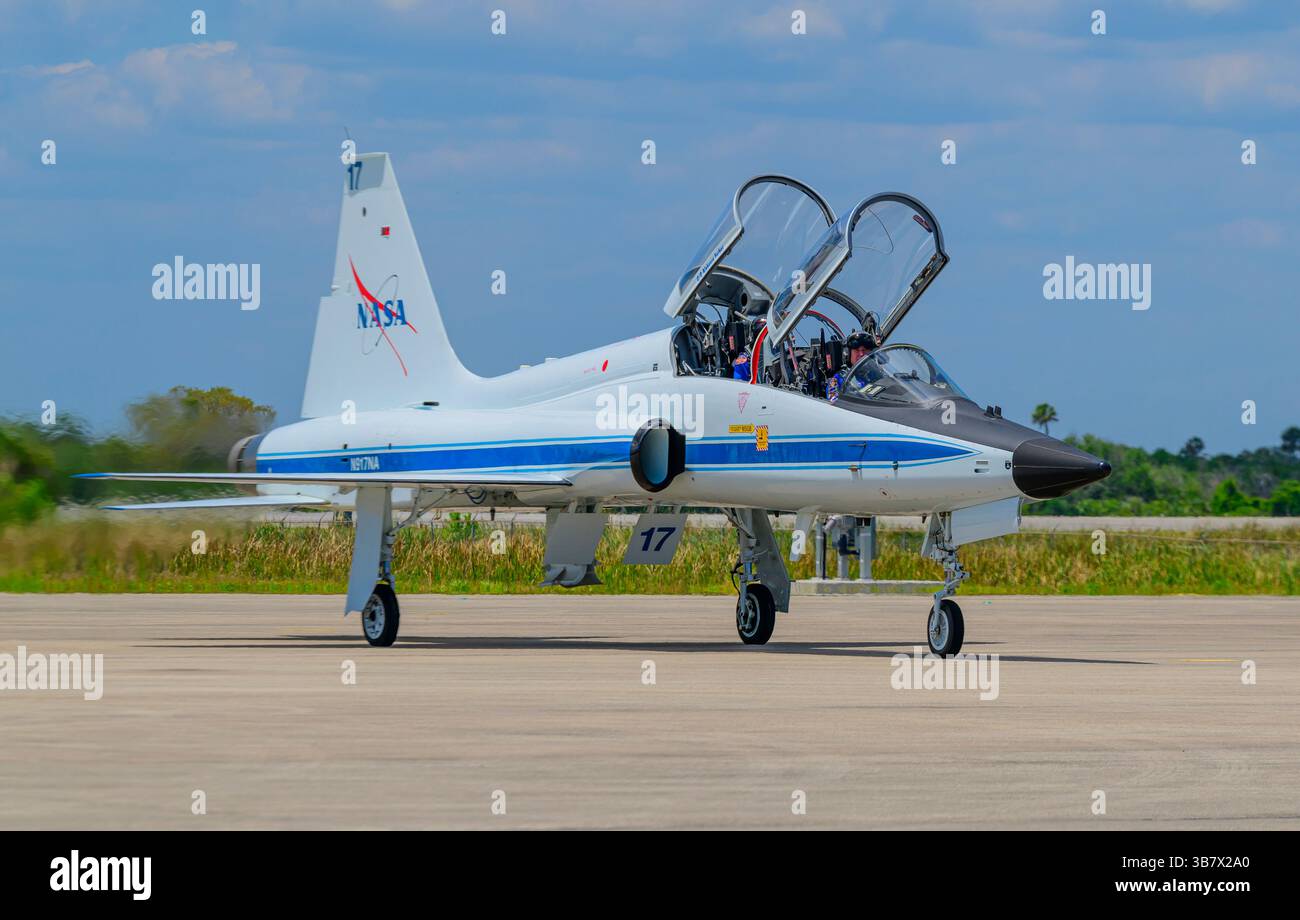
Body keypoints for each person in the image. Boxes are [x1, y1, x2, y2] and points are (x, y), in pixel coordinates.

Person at [826, 330, 876, 401]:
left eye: (864, 350)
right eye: (856, 350)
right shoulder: (839, 378)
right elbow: (832, 399)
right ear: (848, 353)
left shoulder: (877, 375)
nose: (861, 354)